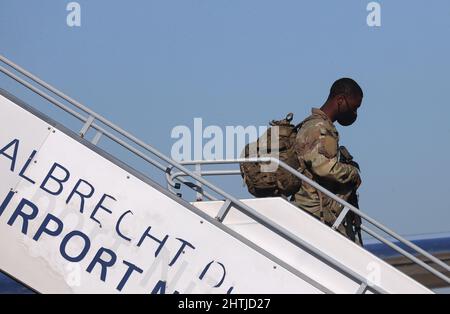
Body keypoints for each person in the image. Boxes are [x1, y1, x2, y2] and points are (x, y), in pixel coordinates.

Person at [292, 78, 363, 244]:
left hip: (322, 213)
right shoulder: (318, 128)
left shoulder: (320, 126)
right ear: (340, 100)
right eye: (354, 107)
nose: (355, 113)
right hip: (315, 213)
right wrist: (352, 173)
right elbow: (324, 168)